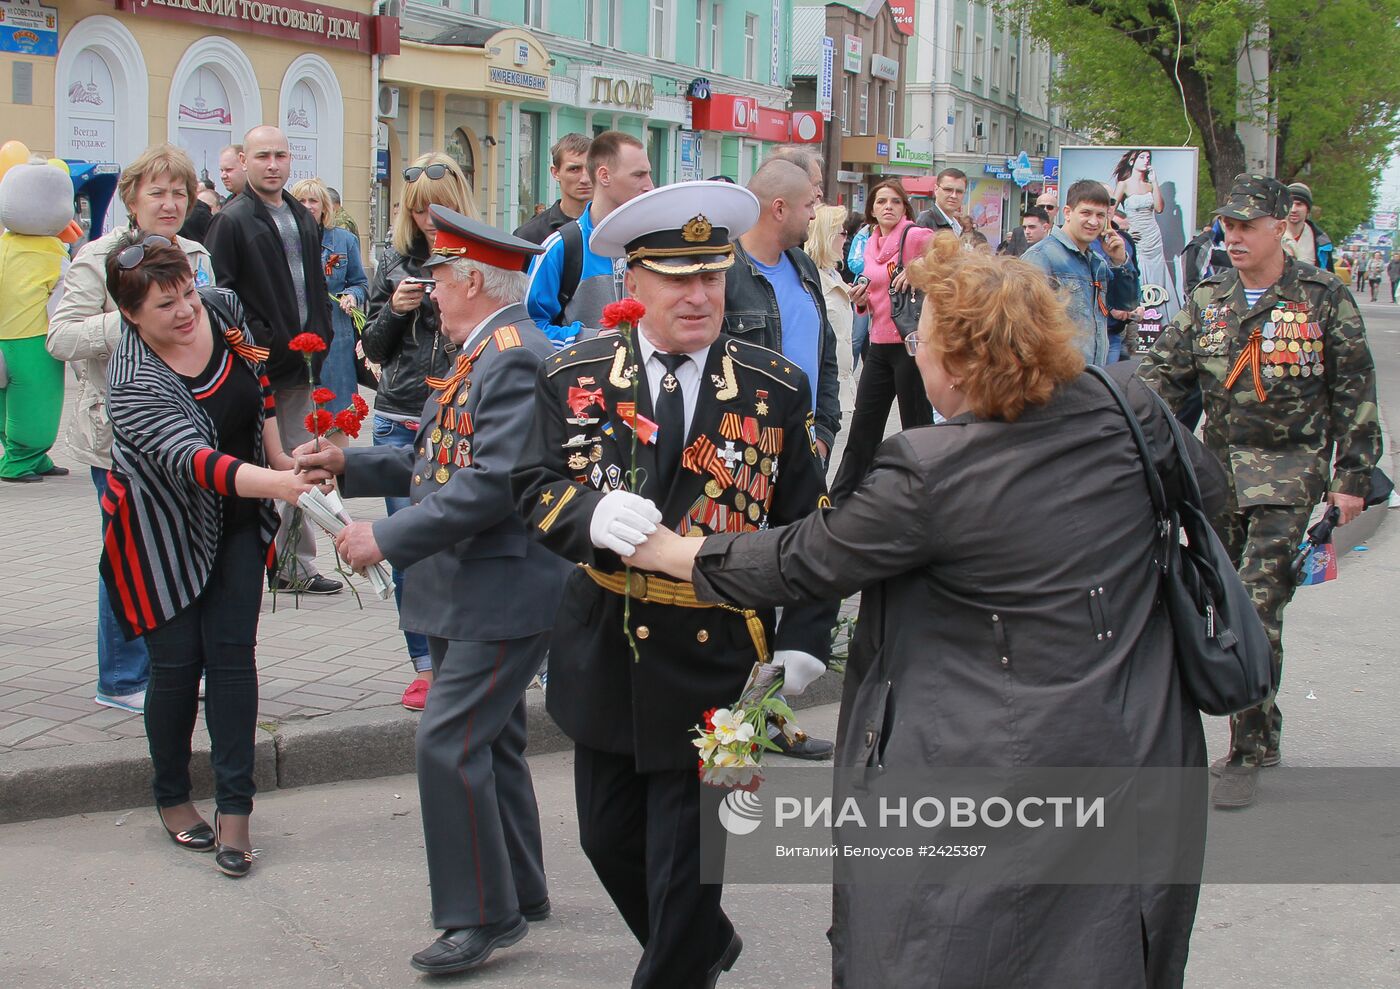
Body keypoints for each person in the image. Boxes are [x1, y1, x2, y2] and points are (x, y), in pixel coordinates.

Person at [628, 232, 1226, 988]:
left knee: (957, 944)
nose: (912, 351)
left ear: (968, 360)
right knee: (1110, 943)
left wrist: (672, 552)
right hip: (1139, 737)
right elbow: (1208, 500)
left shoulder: (932, 471)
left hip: (991, 764)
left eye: (925, 339)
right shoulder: (1125, 405)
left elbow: (807, 558)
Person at [511, 182, 835, 989]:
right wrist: (585, 512)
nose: (698, 296)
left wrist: (802, 641)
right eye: (676, 278)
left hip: (727, 661)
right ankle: (700, 946)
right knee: (610, 839)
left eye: (712, 277)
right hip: (610, 643)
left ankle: (680, 964)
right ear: (634, 284)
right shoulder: (575, 374)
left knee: (688, 863)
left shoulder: (774, 388)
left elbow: (813, 532)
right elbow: (531, 485)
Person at [295, 206, 567, 975]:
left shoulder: (509, 354)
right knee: (493, 738)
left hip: (499, 590)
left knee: (448, 742)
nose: (433, 296)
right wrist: (351, 463)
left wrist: (384, 535)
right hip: (478, 587)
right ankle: (522, 888)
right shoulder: (490, 347)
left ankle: (480, 915)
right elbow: (439, 457)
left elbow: (496, 484)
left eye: (440, 280)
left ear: (472, 280)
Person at [1140, 174, 1380, 809]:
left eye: (1249, 225)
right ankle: (1264, 726)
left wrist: (1352, 477)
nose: (1235, 235)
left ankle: (1245, 749)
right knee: (1220, 600)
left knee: (1257, 604)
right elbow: (1160, 376)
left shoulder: (1323, 298)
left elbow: (1353, 388)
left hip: (1290, 472)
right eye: (1229, 224)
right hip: (1218, 474)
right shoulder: (1211, 297)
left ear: (1283, 226)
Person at [102, 236, 319, 877]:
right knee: (174, 667)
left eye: (187, 293)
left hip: (233, 522)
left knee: (231, 660)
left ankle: (236, 811)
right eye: (166, 304)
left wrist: (281, 457)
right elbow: (198, 464)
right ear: (132, 314)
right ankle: (172, 796)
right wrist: (280, 485)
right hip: (157, 534)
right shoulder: (133, 381)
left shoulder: (221, 311)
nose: (185, 311)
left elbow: (259, 387)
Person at [48, 142, 217, 714]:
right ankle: (121, 679)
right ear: (131, 199)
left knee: (179, 553)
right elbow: (61, 337)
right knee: (126, 555)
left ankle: (169, 669)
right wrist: (131, 318)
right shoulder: (98, 257)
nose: (170, 203)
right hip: (118, 435)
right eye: (158, 192)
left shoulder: (196, 252)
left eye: (179, 193)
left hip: (190, 432)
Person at [204, 125, 340, 595]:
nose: (273, 164)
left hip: (303, 364)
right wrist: (254, 344)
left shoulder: (301, 216)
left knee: (302, 464)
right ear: (244, 160)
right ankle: (267, 561)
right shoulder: (232, 220)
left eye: (281, 155)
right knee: (267, 466)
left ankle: (293, 564)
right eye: (263, 155)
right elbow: (219, 296)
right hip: (258, 367)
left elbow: (314, 288)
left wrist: (320, 333)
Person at [362, 151, 476, 711]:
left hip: (455, 414)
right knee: (406, 547)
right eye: (421, 210)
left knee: (457, 540)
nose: (431, 219)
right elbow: (373, 352)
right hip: (399, 414)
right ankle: (424, 666)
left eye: (442, 208)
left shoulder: (478, 256)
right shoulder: (392, 262)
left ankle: (460, 654)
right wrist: (396, 310)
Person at [726, 160, 841, 462]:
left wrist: (824, 436)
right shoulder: (724, 274)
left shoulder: (804, 267)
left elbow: (827, 357)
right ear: (779, 209)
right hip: (748, 455)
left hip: (808, 453)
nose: (814, 214)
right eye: (808, 205)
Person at [829, 179, 934, 503]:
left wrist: (919, 269)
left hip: (910, 345)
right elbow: (876, 296)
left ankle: (927, 496)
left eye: (895, 202)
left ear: (905, 208)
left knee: (916, 427)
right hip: (879, 342)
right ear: (872, 209)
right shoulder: (870, 243)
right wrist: (860, 300)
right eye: (881, 202)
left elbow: (950, 260)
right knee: (864, 426)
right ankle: (840, 499)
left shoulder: (915, 235)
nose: (888, 207)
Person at [524, 130, 654, 347]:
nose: (649, 185)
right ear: (604, 176)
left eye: (649, 174)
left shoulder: (657, 243)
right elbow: (528, 327)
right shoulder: (562, 246)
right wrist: (589, 339)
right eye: (638, 175)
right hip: (583, 378)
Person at [1023, 178, 1137, 367]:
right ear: (1068, 213)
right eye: (1086, 213)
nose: (1093, 221)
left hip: (1091, 374)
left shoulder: (1098, 262)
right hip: (1054, 377)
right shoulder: (1041, 256)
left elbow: (1126, 304)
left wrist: (1120, 262)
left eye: (1100, 215)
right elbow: (1023, 326)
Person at [292, 177, 367, 418]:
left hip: (336, 337)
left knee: (338, 412)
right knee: (301, 411)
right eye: (301, 200)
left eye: (313, 200)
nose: (308, 205)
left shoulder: (344, 240)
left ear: (325, 206)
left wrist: (351, 296)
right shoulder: (286, 240)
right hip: (297, 334)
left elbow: (360, 282)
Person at [1110, 149, 1181, 319]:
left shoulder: (1150, 185)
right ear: (1132, 161)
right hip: (1136, 235)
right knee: (1138, 269)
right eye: (1142, 157)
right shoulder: (1124, 184)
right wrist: (1122, 230)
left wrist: (1155, 182)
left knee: (1158, 270)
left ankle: (1161, 315)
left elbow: (1159, 208)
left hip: (1153, 235)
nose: (1146, 160)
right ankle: (1139, 310)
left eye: (1148, 157)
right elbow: (1110, 210)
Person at [807, 203, 856, 414]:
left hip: (836, 386)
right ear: (827, 236)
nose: (846, 239)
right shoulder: (810, 277)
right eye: (842, 233)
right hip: (820, 386)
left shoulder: (834, 275)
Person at [513, 132, 592, 245]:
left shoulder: (615, 231)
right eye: (574, 169)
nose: (585, 179)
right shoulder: (528, 236)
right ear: (555, 173)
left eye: (591, 168)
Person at [1281, 183, 1334, 271]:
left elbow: (1329, 277)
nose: (1294, 210)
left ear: (1308, 209)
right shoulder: (1270, 236)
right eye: (1291, 204)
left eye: (1299, 204)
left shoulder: (1321, 242)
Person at [913, 167, 970, 235]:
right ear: (936, 189)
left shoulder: (958, 226)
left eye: (959, 191)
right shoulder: (926, 221)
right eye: (948, 190)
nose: (954, 196)